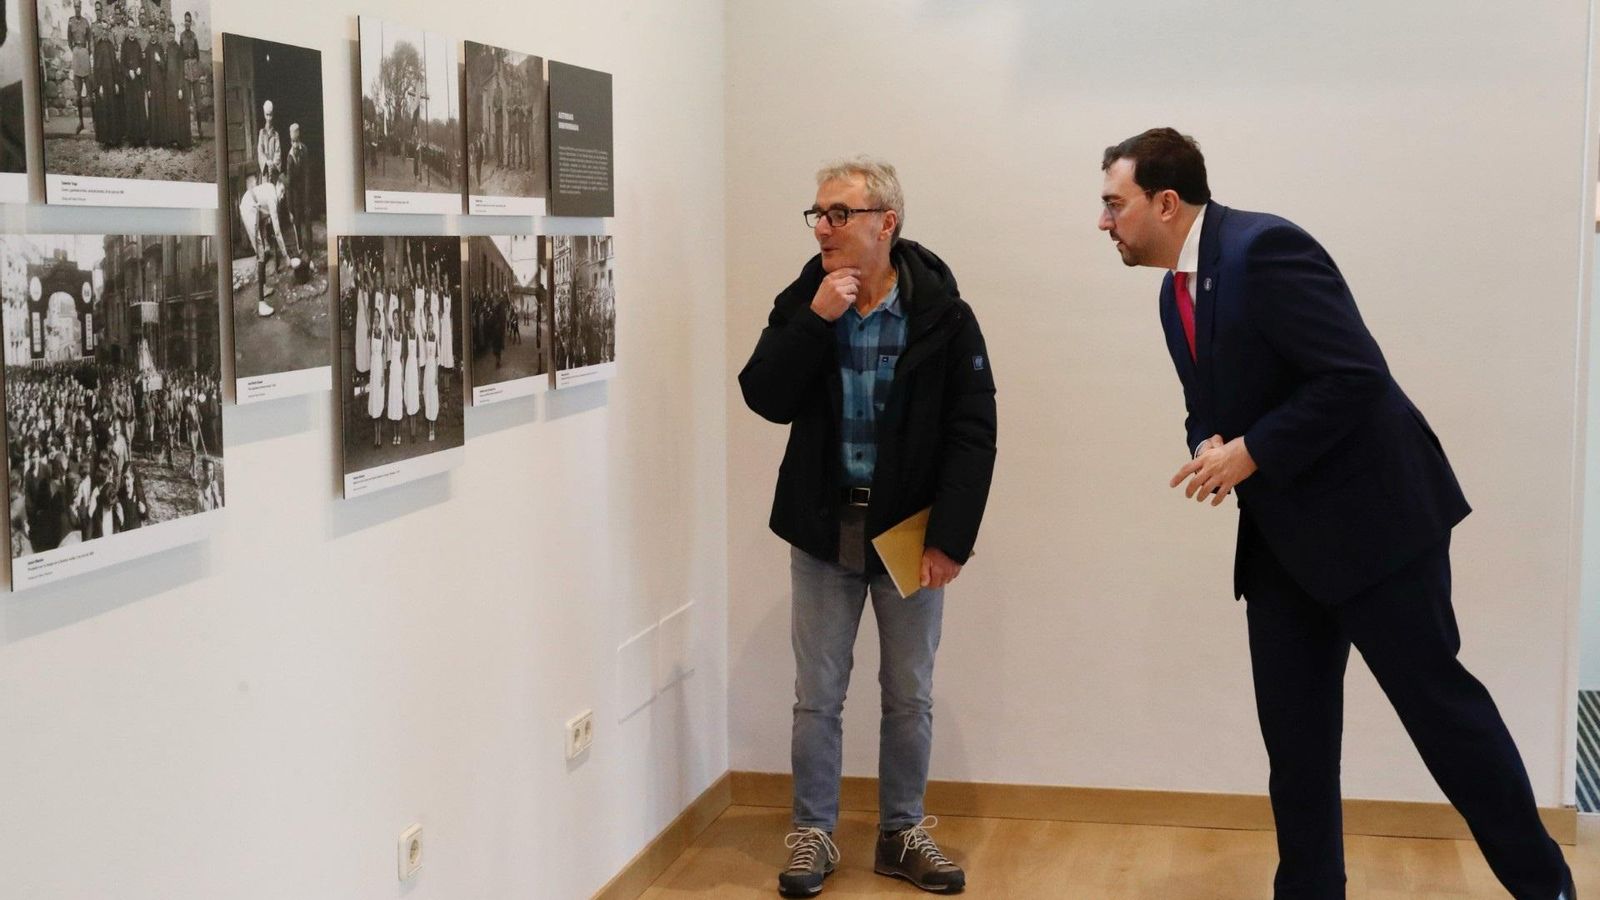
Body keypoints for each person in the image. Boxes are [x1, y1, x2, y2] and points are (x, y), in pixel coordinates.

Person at [1096, 127, 1576, 900]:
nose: (1103, 222)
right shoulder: (1174, 291)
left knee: (1443, 717)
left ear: (1165, 201)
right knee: (1297, 743)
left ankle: (1545, 885)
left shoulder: (1264, 250)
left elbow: (1356, 376)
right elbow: (1205, 405)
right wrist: (1210, 441)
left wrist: (1250, 451)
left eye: (1113, 204)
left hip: (1376, 529)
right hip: (1284, 543)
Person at [738, 157, 996, 897]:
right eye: (817, 213)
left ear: (887, 223)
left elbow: (972, 431)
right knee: (816, 694)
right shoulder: (804, 300)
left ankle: (900, 832)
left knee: (909, 691)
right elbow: (764, 395)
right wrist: (815, 323)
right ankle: (813, 833)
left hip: (909, 532)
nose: (823, 227)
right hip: (823, 528)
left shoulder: (942, 313)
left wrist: (952, 538)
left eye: (839, 214)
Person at [66, 0, 92, 135]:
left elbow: (90, 38)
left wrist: (88, 52)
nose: (77, 9)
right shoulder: (70, 22)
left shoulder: (86, 22)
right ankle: (80, 122)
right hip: (76, 53)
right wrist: (75, 50)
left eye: (79, 7)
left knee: (90, 90)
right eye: (75, 7)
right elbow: (69, 40)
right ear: (73, 7)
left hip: (84, 53)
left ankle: (95, 122)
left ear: (81, 8)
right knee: (78, 93)